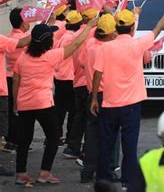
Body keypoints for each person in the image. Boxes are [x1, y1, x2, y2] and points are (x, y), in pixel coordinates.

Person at [90, 4, 164, 188]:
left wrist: (93, 99)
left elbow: (97, 73)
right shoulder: (138, 44)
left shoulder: (105, 48)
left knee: (106, 144)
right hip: (131, 104)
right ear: (131, 29)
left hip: (109, 103)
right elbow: (158, 28)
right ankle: (128, 181)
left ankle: (103, 179)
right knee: (129, 146)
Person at [12, 18, 97, 185]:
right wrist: (88, 27)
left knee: (24, 140)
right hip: (43, 104)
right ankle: (44, 173)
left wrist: (15, 102)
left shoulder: (22, 57)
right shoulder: (51, 56)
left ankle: (21, 174)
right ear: (47, 41)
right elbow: (75, 45)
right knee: (53, 136)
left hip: (24, 104)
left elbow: (16, 80)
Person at [81, 14, 118, 183]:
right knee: (110, 134)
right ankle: (108, 170)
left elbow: (82, 64)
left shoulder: (89, 45)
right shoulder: (109, 49)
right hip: (107, 95)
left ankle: (87, 171)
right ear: (110, 33)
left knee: (92, 135)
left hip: (92, 95)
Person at [63, 8, 98, 159]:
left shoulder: (76, 35)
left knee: (79, 116)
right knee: (89, 119)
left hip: (76, 80)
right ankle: (86, 150)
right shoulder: (94, 35)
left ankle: (72, 147)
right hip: (88, 82)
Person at [4, 9, 31, 154]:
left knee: (11, 110)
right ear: (22, 23)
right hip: (20, 78)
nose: (29, 22)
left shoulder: (9, 37)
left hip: (8, 77)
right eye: (27, 19)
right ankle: (17, 141)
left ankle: (11, 141)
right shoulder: (25, 38)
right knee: (19, 109)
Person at [54, 11, 83, 149]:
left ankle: (56, 136)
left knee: (60, 109)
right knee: (72, 110)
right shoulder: (70, 38)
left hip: (59, 76)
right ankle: (67, 137)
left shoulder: (62, 36)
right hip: (68, 77)